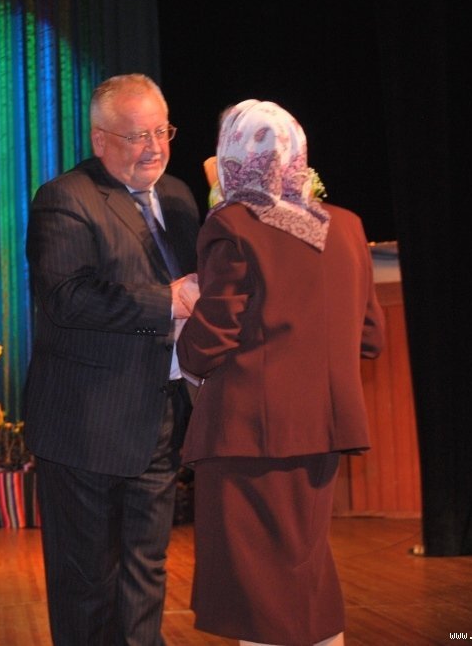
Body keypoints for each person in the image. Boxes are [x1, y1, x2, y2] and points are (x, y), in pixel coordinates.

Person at [177, 99, 385, 646]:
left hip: (249, 435)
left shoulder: (233, 224)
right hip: (323, 429)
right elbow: (371, 337)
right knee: (303, 575)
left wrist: (183, 347)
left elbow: (212, 335)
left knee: (258, 593)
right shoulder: (346, 226)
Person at [24, 73, 200, 645]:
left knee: (146, 574)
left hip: (161, 415)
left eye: (162, 131)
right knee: (88, 587)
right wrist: (167, 301)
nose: (153, 147)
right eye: (136, 136)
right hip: (88, 425)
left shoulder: (179, 196)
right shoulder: (65, 198)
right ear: (100, 139)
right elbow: (67, 297)